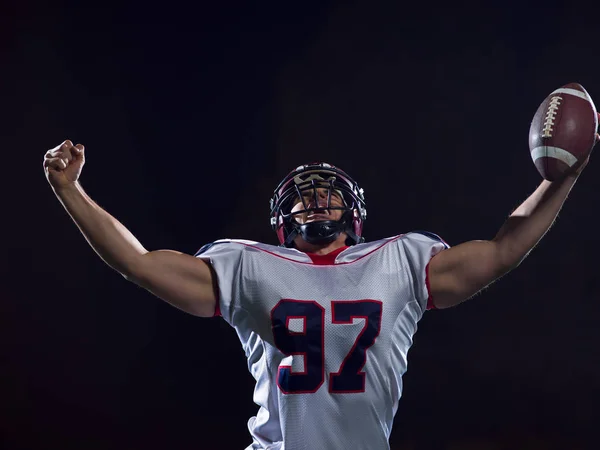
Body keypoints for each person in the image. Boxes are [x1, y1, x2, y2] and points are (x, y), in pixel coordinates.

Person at [43, 138, 593, 450]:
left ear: (352, 213)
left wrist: (563, 174)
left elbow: (500, 252)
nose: (317, 206)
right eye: (305, 201)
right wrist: (72, 192)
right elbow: (138, 264)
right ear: (285, 218)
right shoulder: (249, 265)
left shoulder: (400, 261)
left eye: (328, 198)